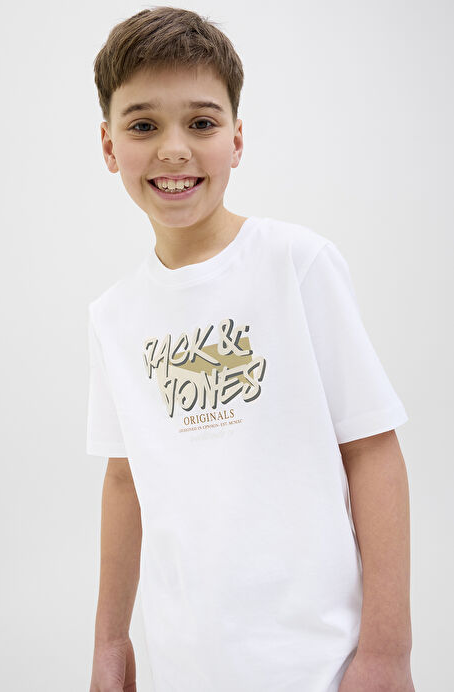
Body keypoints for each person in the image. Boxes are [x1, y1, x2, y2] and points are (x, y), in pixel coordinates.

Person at [86, 7, 415, 692]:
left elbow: (372, 451)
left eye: (201, 123)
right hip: (184, 665)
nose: (173, 149)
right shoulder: (115, 316)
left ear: (236, 140)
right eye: (143, 125)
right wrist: (110, 640)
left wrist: (387, 653)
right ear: (109, 146)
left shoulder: (296, 264)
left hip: (316, 663)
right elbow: (124, 481)